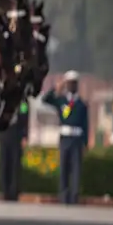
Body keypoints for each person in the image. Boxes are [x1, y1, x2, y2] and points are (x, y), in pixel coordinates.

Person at [42, 70, 89, 205]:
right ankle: (63, 195)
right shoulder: (61, 101)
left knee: (76, 169)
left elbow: (85, 125)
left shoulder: (81, 104)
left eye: (74, 84)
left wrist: (85, 143)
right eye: (69, 83)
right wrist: (57, 87)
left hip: (76, 138)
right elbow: (46, 99)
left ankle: (74, 196)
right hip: (64, 138)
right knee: (63, 168)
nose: (72, 86)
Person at [0, 97, 29, 201]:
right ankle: (5, 191)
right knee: (4, 164)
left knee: (15, 164)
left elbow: (25, 118)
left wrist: (25, 135)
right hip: (4, 133)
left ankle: (14, 192)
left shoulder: (23, 101)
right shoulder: (2, 100)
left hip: (17, 135)